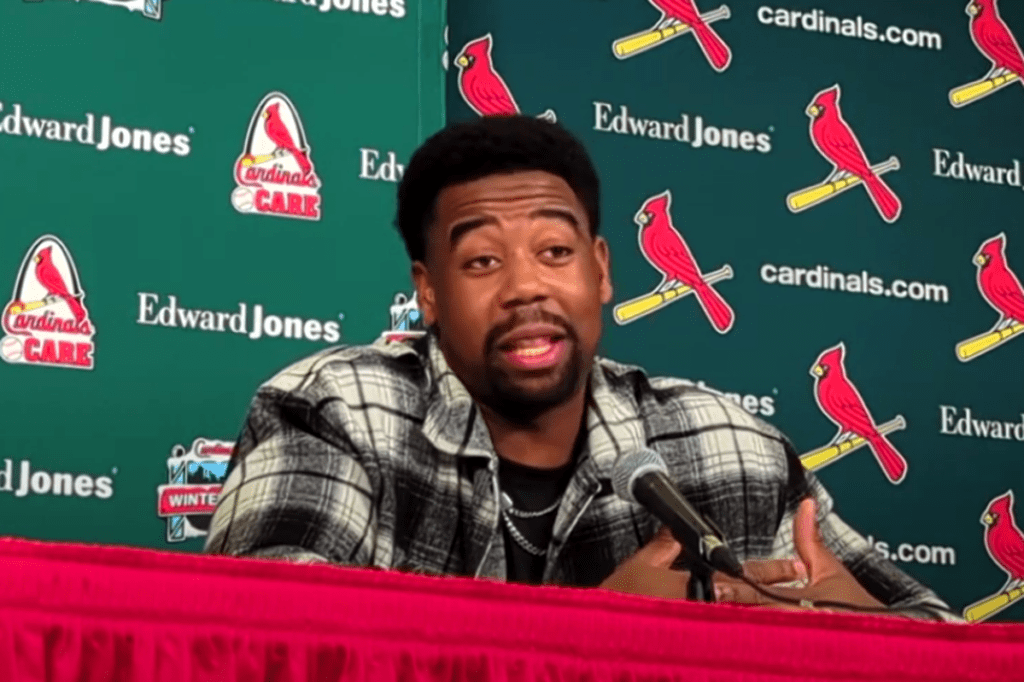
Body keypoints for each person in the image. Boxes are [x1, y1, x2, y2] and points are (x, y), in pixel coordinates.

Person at [204, 115, 958, 621]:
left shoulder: (729, 447)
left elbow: (945, 643)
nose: (527, 285)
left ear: (600, 272)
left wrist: (871, 638)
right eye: (482, 260)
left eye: (556, 253)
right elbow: (267, 644)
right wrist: (599, 633)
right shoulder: (339, 414)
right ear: (427, 292)